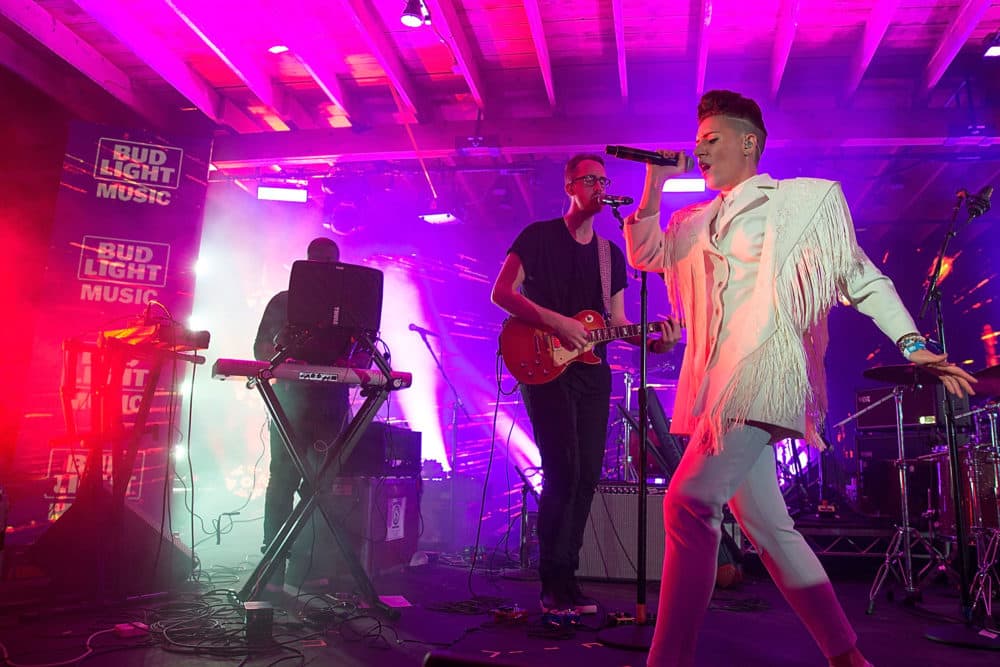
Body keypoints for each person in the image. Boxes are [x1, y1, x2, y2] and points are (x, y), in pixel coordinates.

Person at [624, 90, 977, 667]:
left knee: (687, 503)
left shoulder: (799, 205)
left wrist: (913, 345)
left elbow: (861, 278)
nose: (701, 151)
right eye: (696, 143)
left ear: (749, 143)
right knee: (768, 525)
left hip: (764, 370)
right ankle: (847, 657)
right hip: (715, 384)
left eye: (712, 140)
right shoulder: (694, 220)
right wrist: (654, 184)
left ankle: (668, 661)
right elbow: (645, 255)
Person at [491, 153, 682, 614]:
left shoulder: (609, 255)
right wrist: (558, 323)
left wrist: (652, 341)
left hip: (592, 374)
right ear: (570, 185)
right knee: (564, 472)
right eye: (590, 178)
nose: (599, 185)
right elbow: (502, 293)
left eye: (604, 178)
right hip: (545, 365)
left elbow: (615, 321)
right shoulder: (537, 238)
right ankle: (551, 581)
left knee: (588, 475)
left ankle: (568, 576)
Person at [253, 237, 351, 591]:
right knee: (282, 481)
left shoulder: (348, 310)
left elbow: (365, 353)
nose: (323, 267)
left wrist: (349, 363)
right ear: (306, 263)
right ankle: (274, 567)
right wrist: (285, 360)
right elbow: (260, 347)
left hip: (330, 406)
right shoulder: (284, 302)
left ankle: (312, 568)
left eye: (330, 262)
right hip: (291, 402)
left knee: (322, 487)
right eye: (318, 261)